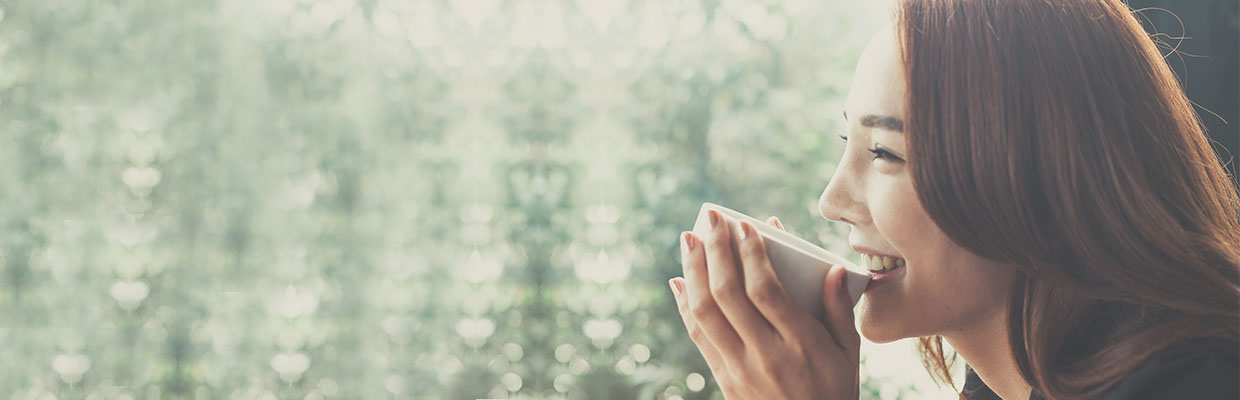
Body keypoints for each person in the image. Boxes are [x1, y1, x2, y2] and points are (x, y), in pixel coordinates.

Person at [666, 0, 1240, 399]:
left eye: (885, 153)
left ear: (1030, 170)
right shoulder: (1001, 386)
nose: (831, 201)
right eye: (850, 142)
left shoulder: (1191, 384)